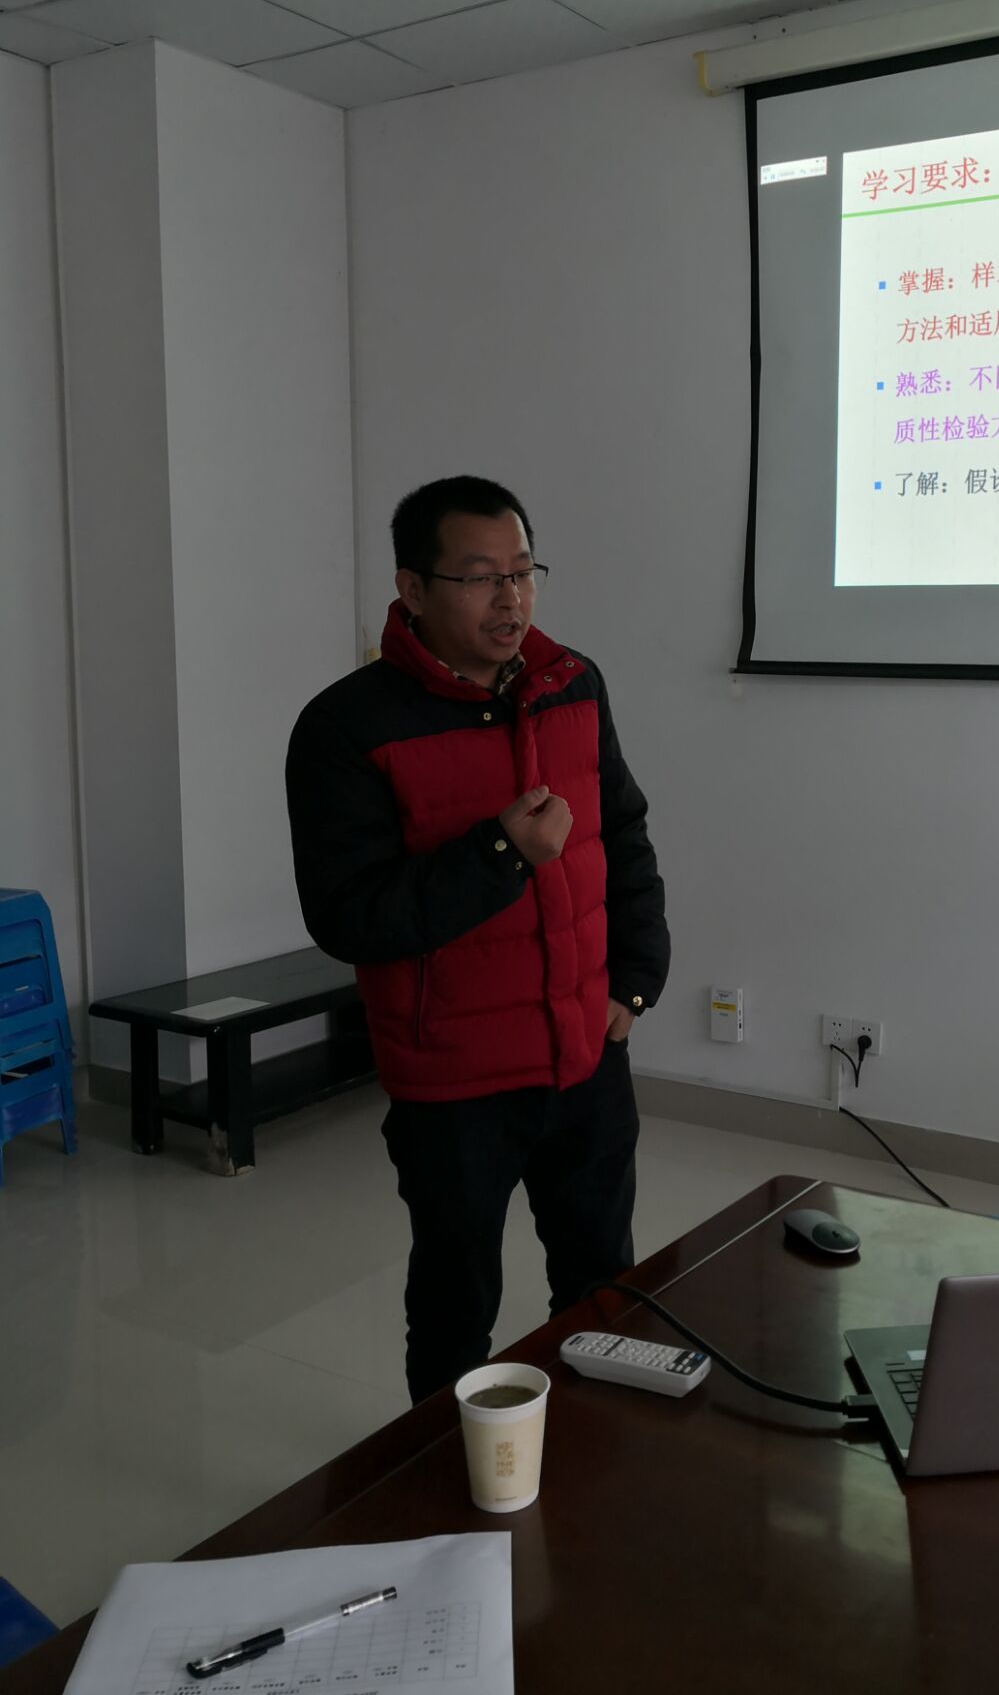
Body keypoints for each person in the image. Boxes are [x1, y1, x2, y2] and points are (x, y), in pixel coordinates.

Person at [285, 475, 669, 1402]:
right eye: (480, 577)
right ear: (413, 589)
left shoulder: (574, 684)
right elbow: (348, 916)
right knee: (457, 1307)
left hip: (585, 1055)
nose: (511, 599)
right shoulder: (346, 727)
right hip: (453, 1082)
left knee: (601, 1286)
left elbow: (622, 835)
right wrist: (501, 852)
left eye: (523, 572)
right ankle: (442, 1474)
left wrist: (633, 982)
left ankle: (594, 1453)